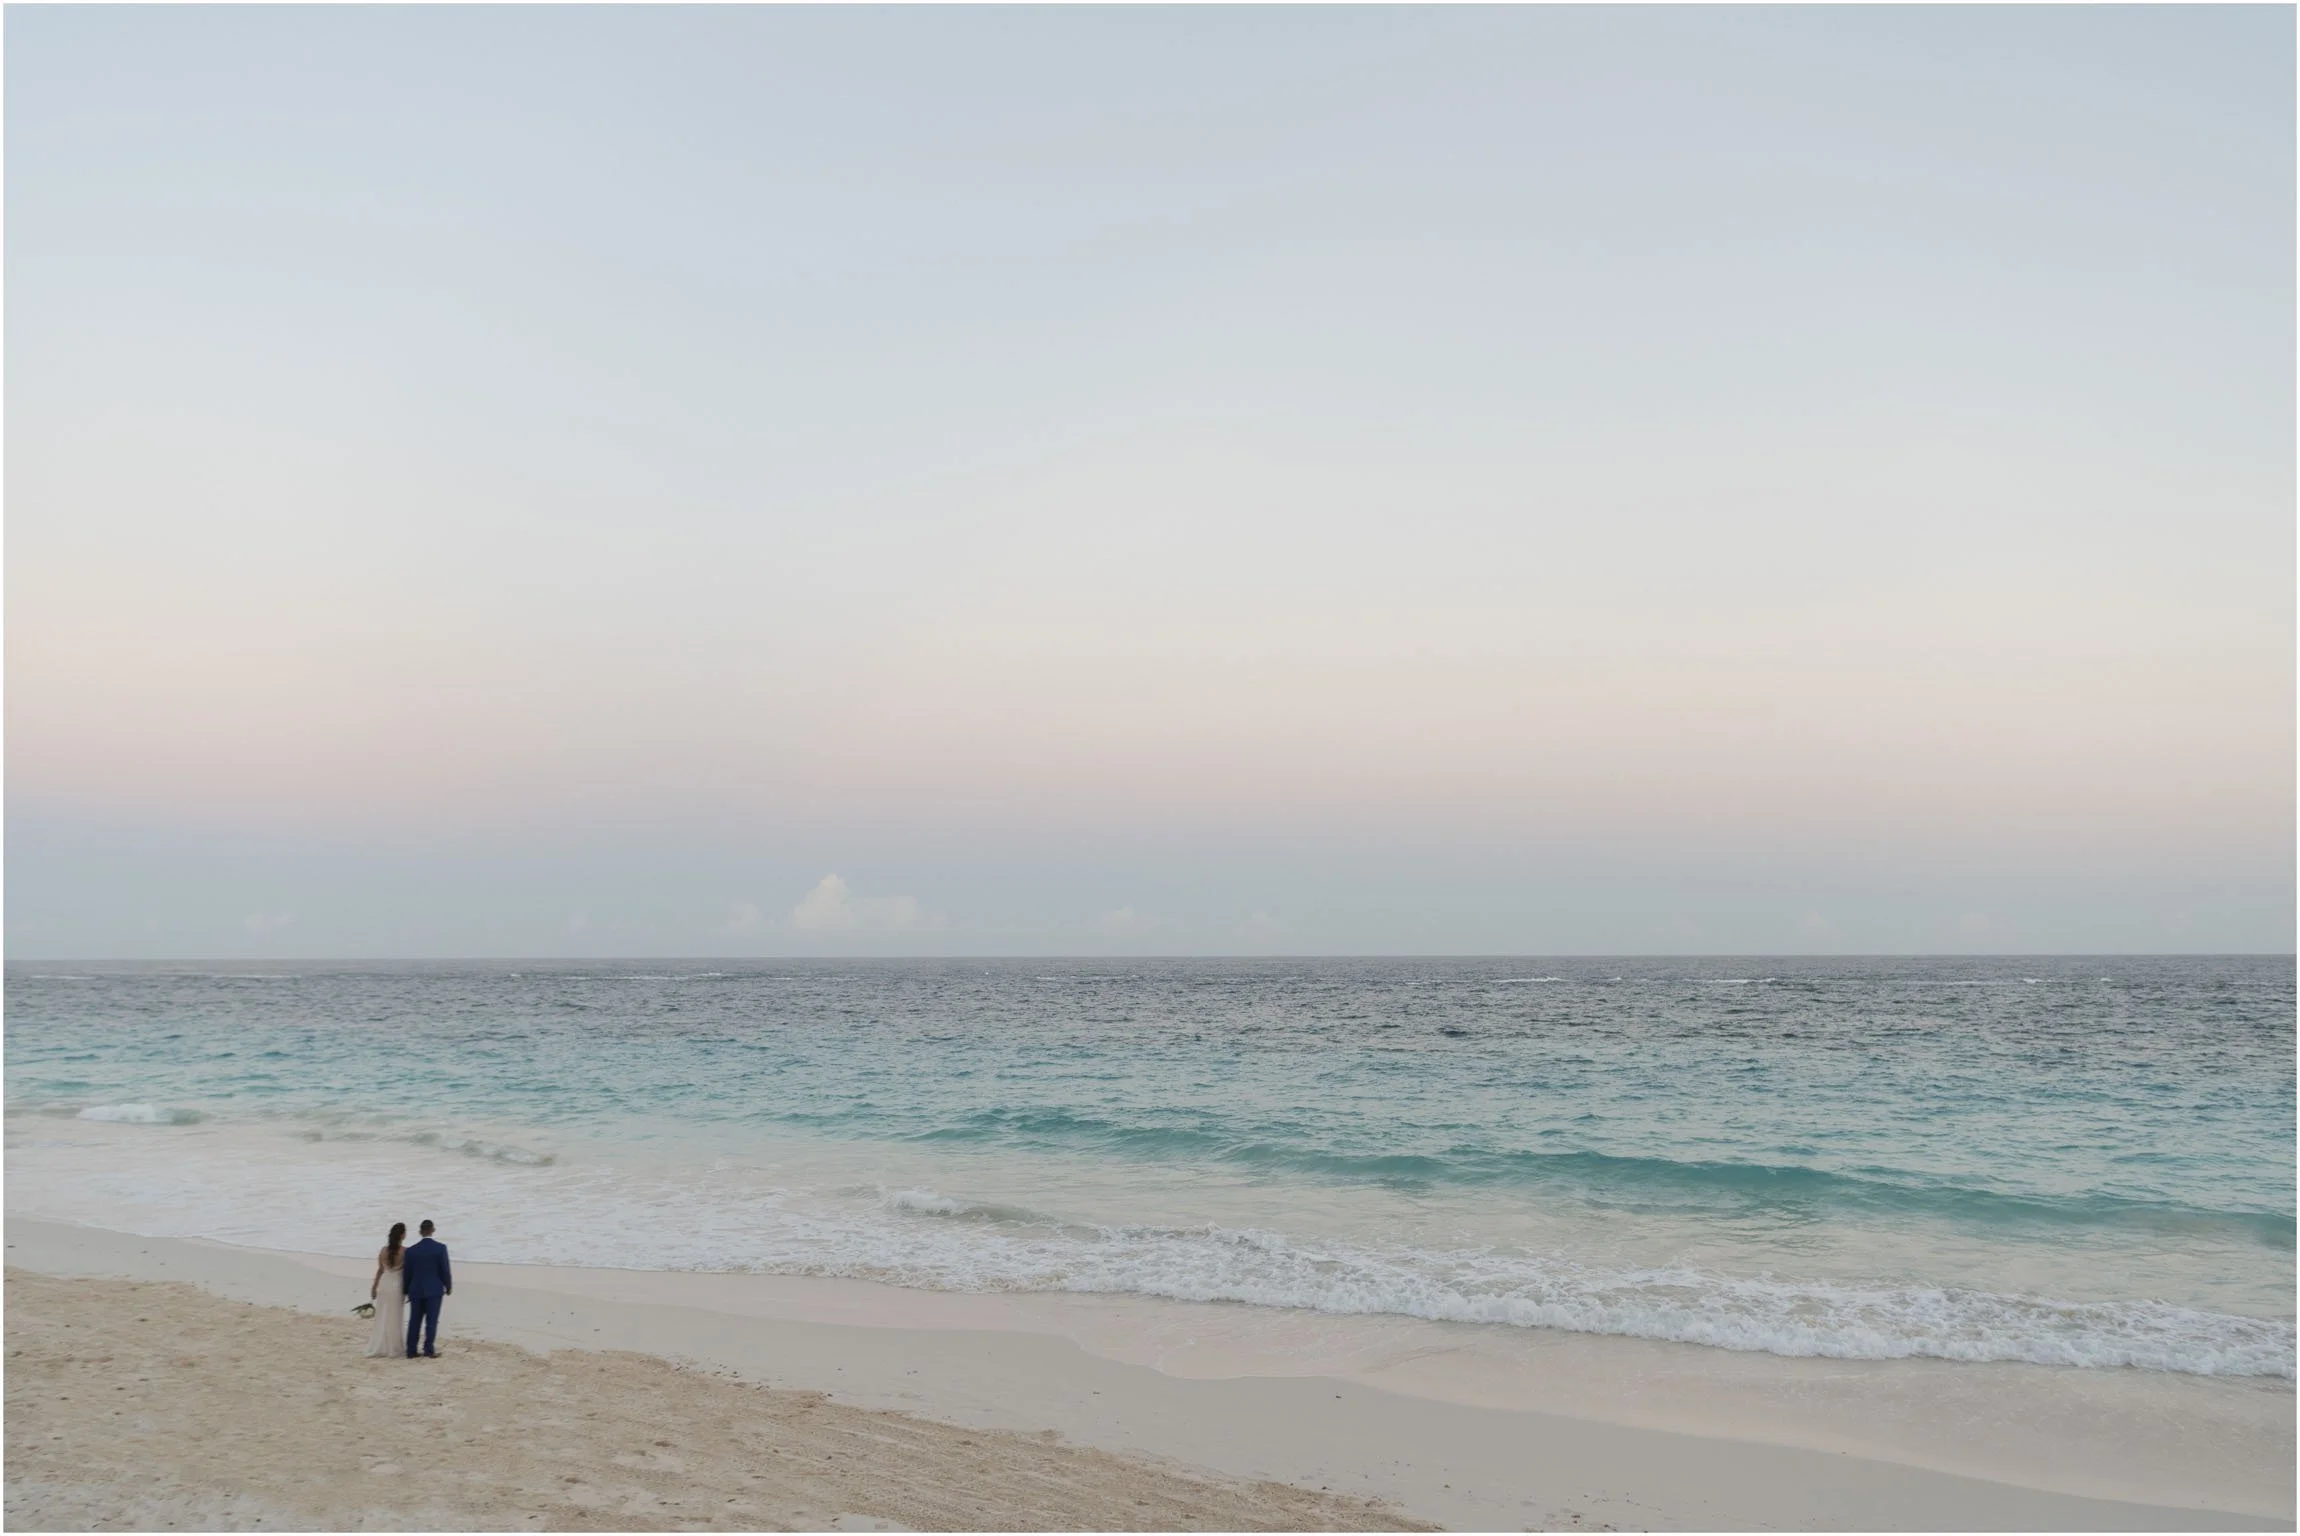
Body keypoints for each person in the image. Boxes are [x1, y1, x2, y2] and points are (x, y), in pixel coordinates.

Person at [401, 1219, 452, 1358]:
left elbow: (407, 1273)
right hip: (434, 1289)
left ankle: (411, 1350)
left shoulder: (411, 1251)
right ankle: (428, 1349)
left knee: (414, 1320)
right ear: (433, 1230)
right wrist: (448, 1286)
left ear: (420, 1232)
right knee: (431, 1321)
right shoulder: (440, 1248)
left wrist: (405, 1289)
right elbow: (445, 1270)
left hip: (416, 1289)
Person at [363, 1222, 407, 1358]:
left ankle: (380, 1343)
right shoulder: (405, 1251)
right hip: (397, 1285)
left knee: (382, 1315)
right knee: (395, 1316)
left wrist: (374, 1287)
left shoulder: (383, 1250)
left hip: (384, 1284)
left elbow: (380, 1270)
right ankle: (393, 1346)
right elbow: (407, 1272)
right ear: (402, 1235)